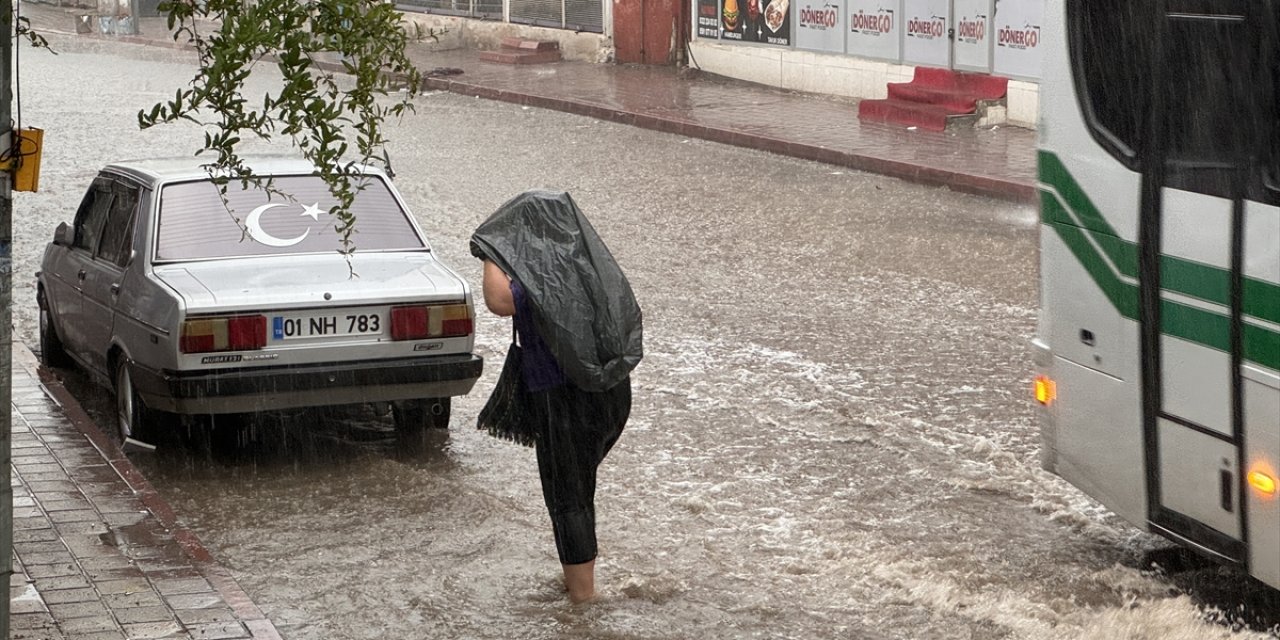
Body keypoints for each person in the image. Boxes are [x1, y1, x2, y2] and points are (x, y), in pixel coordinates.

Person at [471, 190, 643, 604]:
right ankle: (579, 578)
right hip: (613, 395)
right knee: (579, 488)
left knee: (568, 497)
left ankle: (583, 604)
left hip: (562, 398)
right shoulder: (590, 265)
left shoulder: (535, 277)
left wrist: (495, 249)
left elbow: (499, 301)